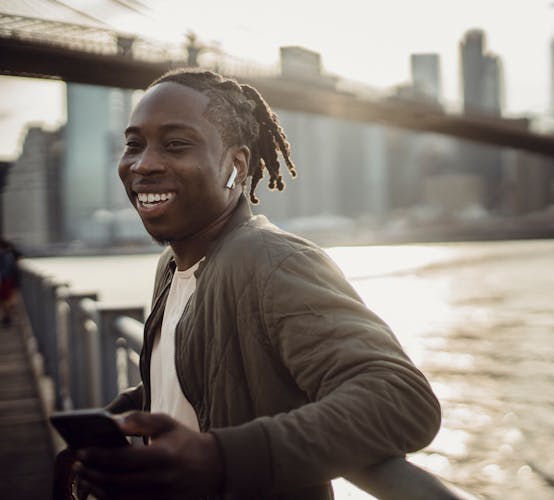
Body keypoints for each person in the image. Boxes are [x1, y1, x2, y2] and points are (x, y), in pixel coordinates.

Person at [56, 68, 441, 499]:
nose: (143, 164)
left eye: (176, 144)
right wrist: (129, 413)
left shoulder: (271, 260)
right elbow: (211, 368)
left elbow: (401, 399)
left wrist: (219, 458)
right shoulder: (172, 265)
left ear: (234, 167)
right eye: (133, 145)